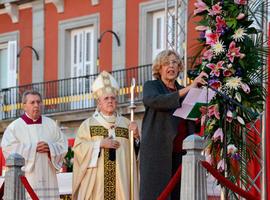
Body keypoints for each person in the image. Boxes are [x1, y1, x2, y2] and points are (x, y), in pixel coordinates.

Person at [140, 50, 208, 200]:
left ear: (179, 68)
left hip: (182, 154)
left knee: (179, 194)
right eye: (166, 63)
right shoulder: (151, 86)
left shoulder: (182, 91)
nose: (171, 66)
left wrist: (200, 114)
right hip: (157, 153)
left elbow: (189, 121)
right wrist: (190, 88)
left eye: (174, 63)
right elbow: (157, 101)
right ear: (159, 68)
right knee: (158, 194)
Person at [72, 71, 140, 200]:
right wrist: (99, 144)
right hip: (97, 183)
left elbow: (135, 155)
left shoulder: (127, 124)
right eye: (106, 98)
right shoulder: (88, 125)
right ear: (99, 103)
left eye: (113, 98)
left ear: (117, 101)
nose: (110, 101)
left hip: (122, 181)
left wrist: (136, 137)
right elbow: (79, 149)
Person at [1, 90, 68, 200]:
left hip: (48, 179)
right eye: (32, 102)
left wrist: (51, 148)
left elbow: (63, 145)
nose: (36, 105)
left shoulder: (51, 124)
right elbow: (8, 149)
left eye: (38, 102)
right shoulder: (14, 127)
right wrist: (33, 149)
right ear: (24, 106)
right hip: (27, 178)